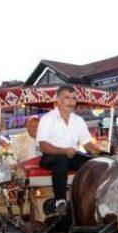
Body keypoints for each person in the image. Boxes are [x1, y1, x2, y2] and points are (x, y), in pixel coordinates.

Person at [36, 85, 102, 213]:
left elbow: (87, 145)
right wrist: (64, 151)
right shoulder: (47, 119)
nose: (71, 102)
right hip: (51, 157)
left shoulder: (79, 120)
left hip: (71, 155)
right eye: (67, 98)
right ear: (58, 101)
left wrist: (98, 152)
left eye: (73, 98)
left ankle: (94, 197)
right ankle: (60, 201)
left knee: (96, 162)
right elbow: (43, 146)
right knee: (61, 159)